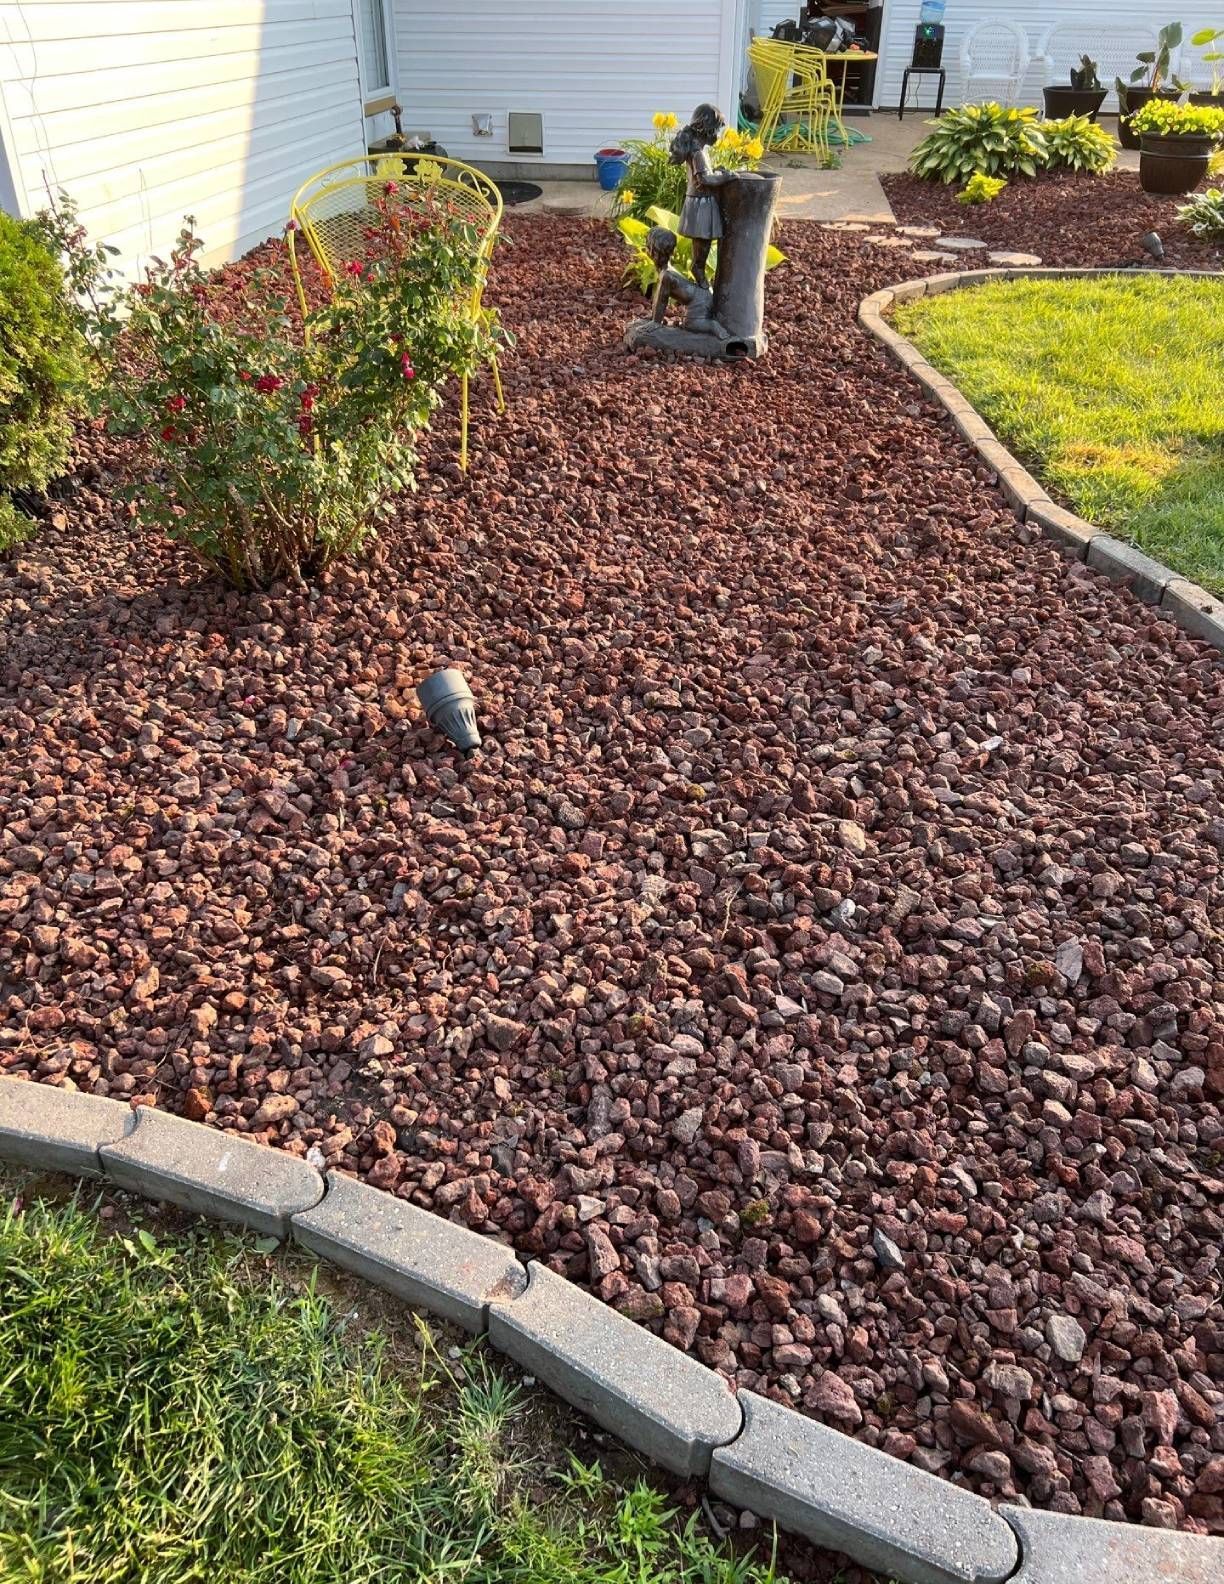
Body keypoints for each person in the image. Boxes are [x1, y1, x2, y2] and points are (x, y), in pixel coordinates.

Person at [669, 103, 737, 287]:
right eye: (716, 129)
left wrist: (717, 172)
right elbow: (705, 179)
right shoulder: (698, 153)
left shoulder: (698, 151)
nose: (717, 134)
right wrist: (726, 176)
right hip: (701, 204)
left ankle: (699, 269)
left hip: (701, 202)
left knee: (703, 241)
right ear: (706, 130)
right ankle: (698, 269)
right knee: (703, 241)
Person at [644, 227, 729, 340]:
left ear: (654, 252)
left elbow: (662, 300)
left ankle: (713, 326)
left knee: (690, 325)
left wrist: (655, 322)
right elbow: (659, 298)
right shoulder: (665, 272)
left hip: (700, 301)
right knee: (686, 323)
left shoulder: (666, 276)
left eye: (648, 247)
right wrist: (654, 317)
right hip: (701, 297)